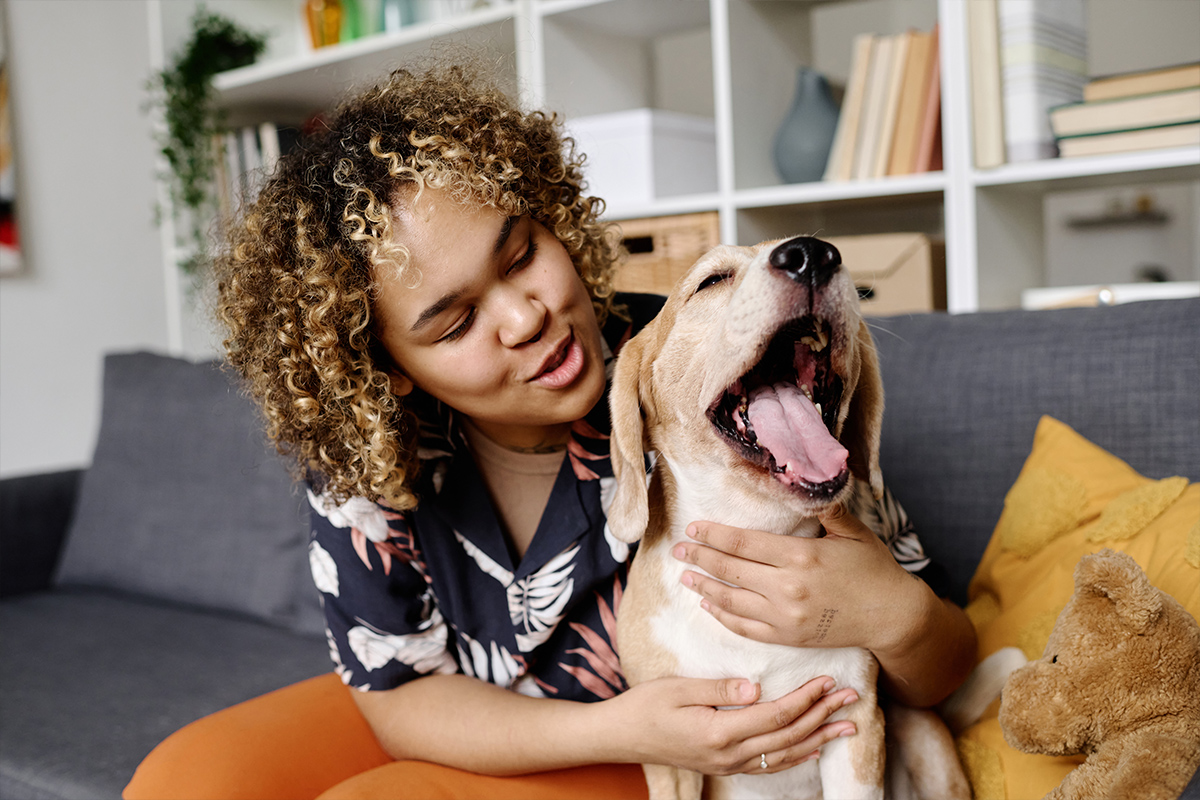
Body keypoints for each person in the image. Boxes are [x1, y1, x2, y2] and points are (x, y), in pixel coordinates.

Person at [124, 60, 976, 800]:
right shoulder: (366, 454)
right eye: (455, 324)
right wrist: (622, 728)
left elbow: (939, 663)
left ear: (550, 217)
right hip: (559, 727)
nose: (527, 317)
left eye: (521, 252)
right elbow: (399, 697)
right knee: (187, 779)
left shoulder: (707, 360)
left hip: (685, 766)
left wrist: (894, 616)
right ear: (381, 367)